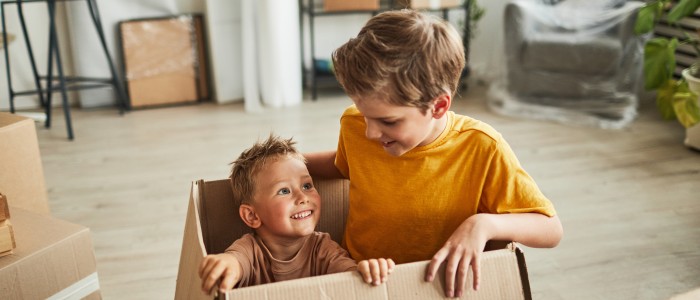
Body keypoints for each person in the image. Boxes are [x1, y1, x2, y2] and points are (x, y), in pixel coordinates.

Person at [304, 10, 563, 298]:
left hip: (435, 287)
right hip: (358, 278)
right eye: (366, 115)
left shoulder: (482, 147)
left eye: (388, 121)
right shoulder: (354, 125)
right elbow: (344, 165)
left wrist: (484, 223)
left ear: (439, 106)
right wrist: (292, 162)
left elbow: (551, 229)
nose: (370, 133)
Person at [198, 135, 395, 295]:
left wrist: (367, 270)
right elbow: (235, 261)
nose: (302, 197)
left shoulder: (323, 249)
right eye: (284, 191)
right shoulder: (249, 251)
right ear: (252, 216)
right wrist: (225, 264)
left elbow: (349, 275)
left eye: (307, 185)